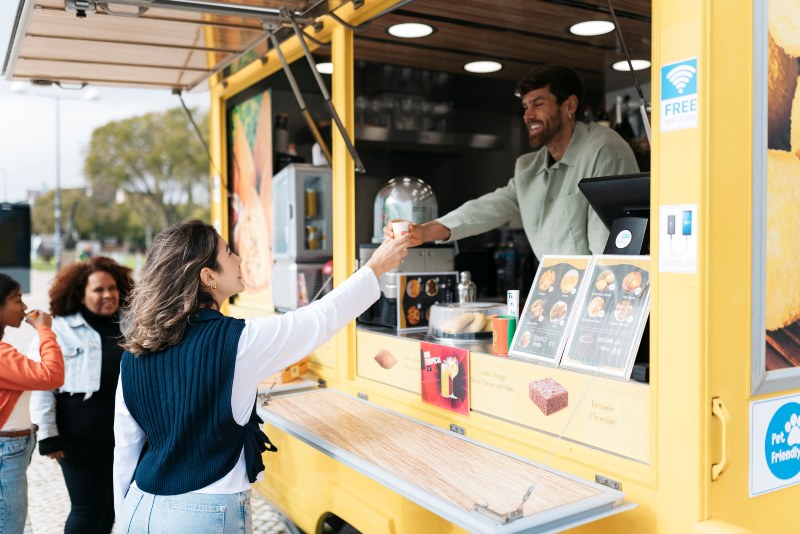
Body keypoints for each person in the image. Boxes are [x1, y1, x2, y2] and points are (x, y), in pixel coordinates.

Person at [113, 219, 409, 533]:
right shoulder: (237, 342)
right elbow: (319, 319)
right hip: (202, 515)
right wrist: (375, 266)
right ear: (208, 276)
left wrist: (124, 515)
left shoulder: (135, 350)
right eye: (228, 253)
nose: (239, 259)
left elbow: (126, 447)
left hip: (140, 506)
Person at [387, 65, 639, 258]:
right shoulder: (528, 168)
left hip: (600, 300)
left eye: (538, 104)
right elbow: (487, 209)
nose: (529, 115)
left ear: (569, 105)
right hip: (559, 295)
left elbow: (609, 250)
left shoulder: (604, 150)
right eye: (525, 107)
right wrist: (423, 231)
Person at [29, 257, 134, 534]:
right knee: (86, 509)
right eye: (98, 290)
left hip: (124, 437)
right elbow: (42, 384)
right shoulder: (59, 329)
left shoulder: (132, 325)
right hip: (79, 437)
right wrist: (48, 436)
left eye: (112, 288)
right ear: (80, 293)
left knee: (110, 509)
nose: (108, 295)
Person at [0, 273, 64, 534]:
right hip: (6, 452)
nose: (24, 307)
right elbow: (51, 375)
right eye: (17, 300)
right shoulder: (2, 354)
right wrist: (44, 330)